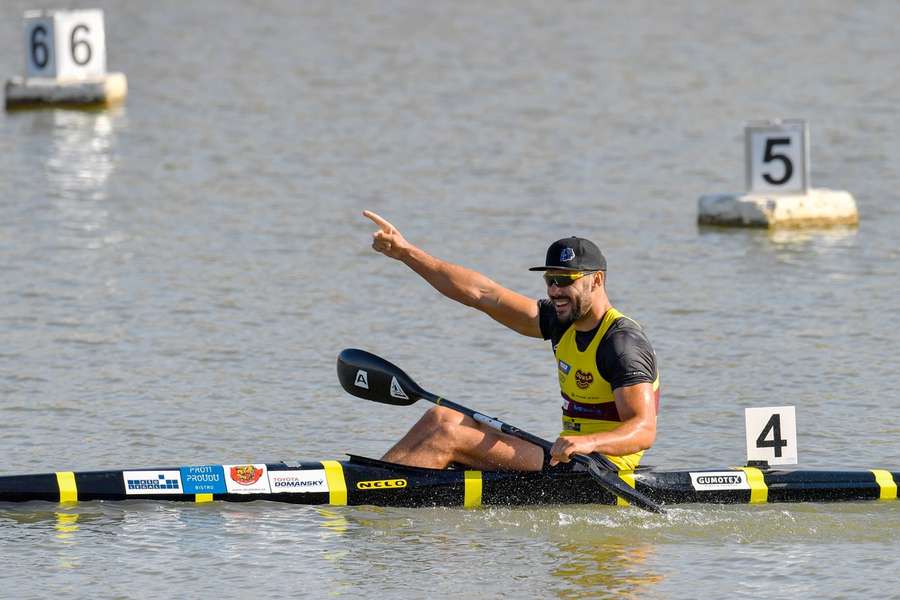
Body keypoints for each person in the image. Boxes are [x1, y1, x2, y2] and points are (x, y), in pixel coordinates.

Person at [364, 210, 660, 472]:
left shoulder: (621, 343)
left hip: (602, 466)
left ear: (596, 281)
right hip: (567, 455)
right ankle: (371, 482)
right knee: (440, 417)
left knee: (447, 436)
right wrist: (405, 253)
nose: (555, 290)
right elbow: (482, 294)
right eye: (550, 280)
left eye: (566, 280)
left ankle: (368, 500)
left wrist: (587, 442)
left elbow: (643, 429)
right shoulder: (559, 321)